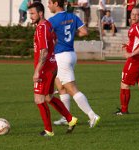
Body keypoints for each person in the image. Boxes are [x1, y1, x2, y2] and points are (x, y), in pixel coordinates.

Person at [48, 0, 100, 128]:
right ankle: (67, 117)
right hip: (71, 54)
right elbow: (84, 32)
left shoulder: (52, 20)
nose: (48, 5)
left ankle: (92, 115)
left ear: (56, 3)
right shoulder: (72, 16)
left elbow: (48, 37)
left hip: (61, 56)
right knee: (60, 87)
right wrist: (71, 34)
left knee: (72, 89)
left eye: (49, 2)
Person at [28, 2, 77, 136]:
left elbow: (44, 51)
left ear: (40, 13)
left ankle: (48, 130)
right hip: (52, 65)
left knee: (39, 99)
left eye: (32, 14)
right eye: (29, 14)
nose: (30, 17)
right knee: (49, 97)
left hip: (45, 68)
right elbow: (54, 41)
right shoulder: (48, 25)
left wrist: (38, 70)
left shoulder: (41, 28)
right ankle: (70, 119)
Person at [115, 3, 139, 115]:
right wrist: (128, 45)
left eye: (137, 14)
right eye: (132, 14)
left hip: (135, 60)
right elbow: (136, 42)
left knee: (124, 84)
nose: (134, 16)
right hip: (138, 59)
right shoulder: (134, 26)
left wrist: (131, 54)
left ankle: (124, 110)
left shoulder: (138, 27)